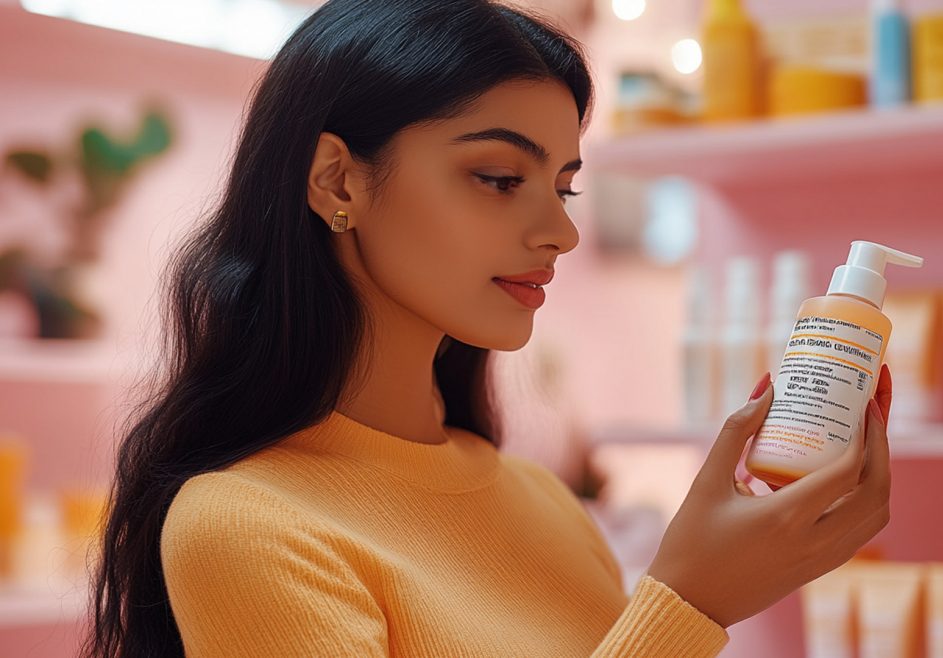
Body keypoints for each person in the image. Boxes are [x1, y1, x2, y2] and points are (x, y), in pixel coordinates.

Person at [83, 1, 893, 656]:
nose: (560, 233)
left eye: (564, 187)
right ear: (338, 181)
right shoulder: (247, 526)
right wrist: (690, 604)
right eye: (500, 178)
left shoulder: (539, 499)